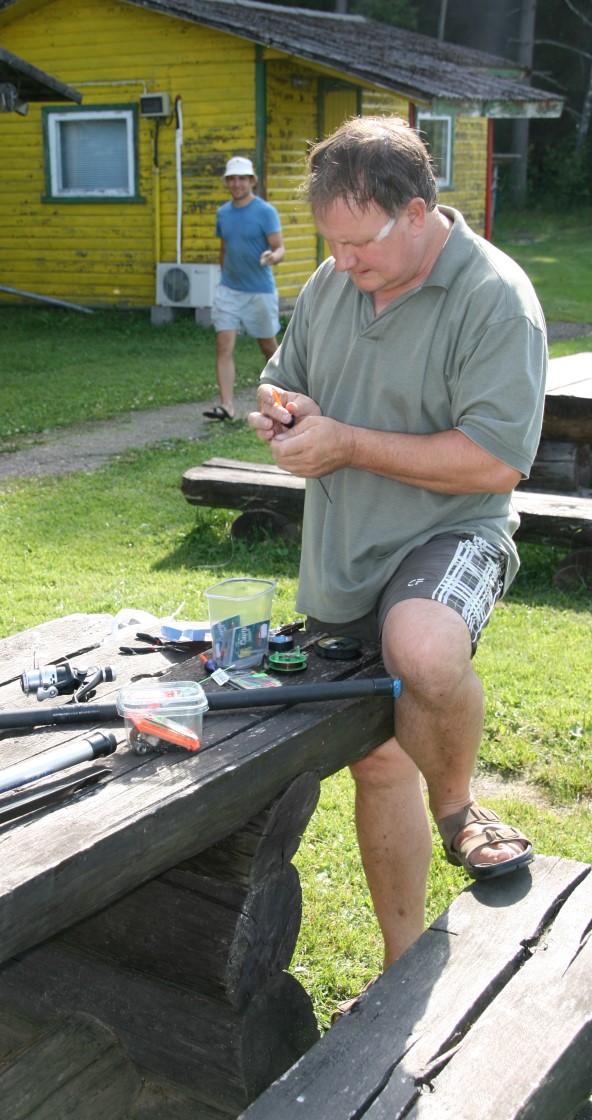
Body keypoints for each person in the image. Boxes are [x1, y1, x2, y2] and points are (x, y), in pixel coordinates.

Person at [249, 116, 546, 993]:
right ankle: (401, 965)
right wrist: (282, 411)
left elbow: (494, 461)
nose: (343, 263)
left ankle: (459, 809)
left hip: (453, 529)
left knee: (423, 647)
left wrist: (345, 443)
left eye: (360, 243)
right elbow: (285, 376)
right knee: (376, 761)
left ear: (417, 212)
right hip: (345, 547)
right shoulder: (338, 278)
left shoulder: (495, 297)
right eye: (330, 244)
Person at [204, 156, 285, 421]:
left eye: (242, 178)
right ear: (227, 182)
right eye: (232, 179)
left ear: (251, 181)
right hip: (229, 290)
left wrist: (273, 257)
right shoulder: (223, 213)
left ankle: (284, 397)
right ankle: (226, 406)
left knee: (268, 346)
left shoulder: (265, 211)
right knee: (222, 344)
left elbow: (279, 248)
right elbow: (224, 249)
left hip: (260, 291)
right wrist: (224, 278)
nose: (236, 183)